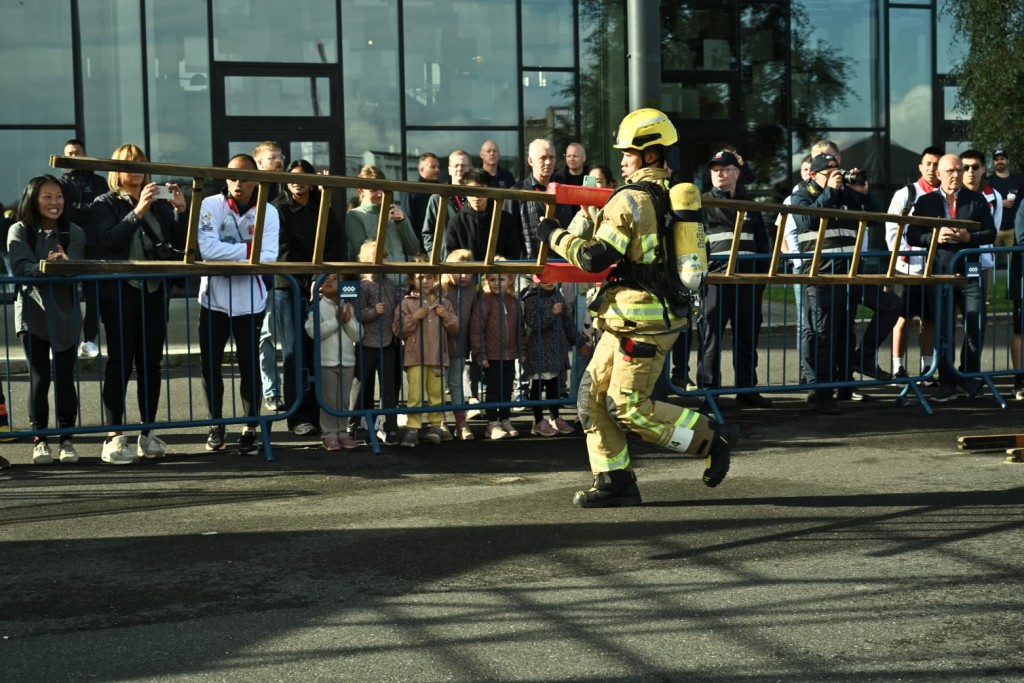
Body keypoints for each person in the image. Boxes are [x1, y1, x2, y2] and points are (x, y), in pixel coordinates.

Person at [535, 108, 739, 507]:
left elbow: (595, 258)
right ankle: (614, 480)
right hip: (626, 318)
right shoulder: (668, 194)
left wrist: (554, 234)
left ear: (650, 155)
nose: (622, 159)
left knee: (628, 408)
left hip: (642, 323)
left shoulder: (627, 200)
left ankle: (711, 439)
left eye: (628, 152)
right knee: (590, 398)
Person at [92, 143, 188, 463]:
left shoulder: (160, 203)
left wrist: (179, 210)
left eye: (140, 164)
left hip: (153, 290)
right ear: (115, 170)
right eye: (127, 164)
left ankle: (148, 433)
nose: (135, 170)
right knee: (119, 364)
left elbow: (177, 245)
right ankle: (114, 436)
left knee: (150, 364)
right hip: (119, 292)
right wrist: (138, 210)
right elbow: (109, 241)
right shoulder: (104, 203)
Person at [197, 153, 280, 456]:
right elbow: (206, 248)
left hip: (251, 301)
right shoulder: (210, 205)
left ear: (256, 179)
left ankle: (250, 427)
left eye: (244, 177)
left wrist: (228, 253)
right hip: (213, 300)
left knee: (249, 367)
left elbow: (268, 255)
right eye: (232, 176)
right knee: (210, 367)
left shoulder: (268, 211)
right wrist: (248, 250)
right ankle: (216, 423)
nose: (238, 183)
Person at [8, 175, 86, 465]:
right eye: (47, 197)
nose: (55, 203)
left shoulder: (73, 231)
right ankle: (40, 440)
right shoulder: (19, 230)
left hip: (65, 312)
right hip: (31, 313)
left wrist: (61, 266)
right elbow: (21, 265)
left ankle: (67, 439)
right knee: (39, 378)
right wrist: (50, 267)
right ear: (33, 199)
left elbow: (75, 266)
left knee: (65, 378)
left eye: (59, 197)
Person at [907, 154, 997, 402]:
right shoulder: (925, 202)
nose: (956, 175)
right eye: (950, 171)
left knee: (975, 324)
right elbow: (912, 235)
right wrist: (934, 237)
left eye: (959, 170)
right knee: (944, 329)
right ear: (939, 174)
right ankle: (947, 381)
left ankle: (967, 377)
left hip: (970, 273)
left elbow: (991, 232)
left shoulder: (976, 199)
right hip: (941, 273)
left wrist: (970, 238)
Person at [272, 159, 348, 436]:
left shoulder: (323, 207)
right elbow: (281, 249)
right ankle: (297, 416)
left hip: (321, 288)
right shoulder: (278, 209)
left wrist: (323, 279)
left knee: (321, 351)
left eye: (303, 177)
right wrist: (307, 281)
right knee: (295, 353)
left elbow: (335, 245)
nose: (297, 182)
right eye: (292, 177)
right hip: (290, 288)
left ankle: (322, 413)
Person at [700, 150, 772, 407]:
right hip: (716, 282)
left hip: (747, 281)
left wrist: (761, 280)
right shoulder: (702, 203)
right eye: (715, 169)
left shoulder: (750, 204)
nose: (719, 173)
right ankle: (709, 392)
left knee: (747, 337)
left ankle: (747, 390)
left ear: (737, 173)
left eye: (725, 168)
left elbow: (763, 244)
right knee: (712, 338)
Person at [885, 146, 942, 380]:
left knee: (929, 320)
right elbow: (891, 228)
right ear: (920, 166)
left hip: (933, 269)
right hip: (906, 268)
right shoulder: (906, 193)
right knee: (902, 318)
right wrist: (902, 254)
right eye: (928, 164)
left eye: (937, 164)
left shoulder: (944, 198)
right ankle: (898, 366)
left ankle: (926, 368)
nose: (932, 169)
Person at [393, 264, 459, 448]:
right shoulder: (406, 303)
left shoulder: (444, 303)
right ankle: (413, 427)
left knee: (436, 394)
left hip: (438, 356)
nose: (425, 281)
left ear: (435, 280)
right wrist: (414, 317)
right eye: (420, 278)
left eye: (429, 277)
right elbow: (398, 329)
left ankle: (435, 426)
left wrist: (446, 315)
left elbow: (455, 328)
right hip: (415, 356)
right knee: (414, 395)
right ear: (412, 281)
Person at [60, 139, 109, 359]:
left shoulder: (99, 181)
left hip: (95, 246)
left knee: (93, 298)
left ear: (85, 154)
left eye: (77, 152)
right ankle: (67, 340)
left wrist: (79, 208)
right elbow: (64, 212)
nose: (74, 156)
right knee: (67, 295)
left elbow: (102, 208)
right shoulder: (60, 183)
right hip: (68, 245)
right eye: (69, 153)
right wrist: (84, 210)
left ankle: (89, 341)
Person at [305, 273, 362, 451]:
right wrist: (336, 321)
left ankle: (342, 432)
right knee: (329, 399)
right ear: (319, 287)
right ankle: (329, 434)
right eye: (326, 279)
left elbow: (358, 335)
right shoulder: (317, 307)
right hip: (326, 361)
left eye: (336, 278)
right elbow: (314, 332)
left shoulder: (348, 307)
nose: (330, 281)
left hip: (347, 360)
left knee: (344, 399)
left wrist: (346, 321)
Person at [353, 239, 401, 445]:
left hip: (388, 342)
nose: (376, 260)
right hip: (366, 343)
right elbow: (357, 312)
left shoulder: (391, 284)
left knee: (389, 387)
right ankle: (355, 424)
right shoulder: (362, 285)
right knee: (361, 385)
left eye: (380, 256)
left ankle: (389, 426)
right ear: (363, 260)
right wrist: (373, 312)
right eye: (371, 257)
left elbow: (397, 308)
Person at [470, 266, 523, 440]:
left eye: (501, 279)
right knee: (493, 390)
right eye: (492, 279)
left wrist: (522, 350)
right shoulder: (484, 302)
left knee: (507, 389)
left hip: (509, 354)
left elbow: (519, 329)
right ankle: (492, 423)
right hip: (491, 355)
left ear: (510, 281)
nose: (496, 283)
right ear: (486, 282)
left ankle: (505, 419)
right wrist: (480, 354)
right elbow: (477, 331)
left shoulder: (513, 302)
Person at [254, 142, 287, 412]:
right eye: (272, 158)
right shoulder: (256, 196)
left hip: (286, 278)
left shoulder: (289, 188)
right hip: (262, 278)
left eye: (281, 157)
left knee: (289, 340)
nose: (279, 161)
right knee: (264, 337)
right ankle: (271, 390)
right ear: (259, 164)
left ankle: (294, 393)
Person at [521, 274, 576, 436]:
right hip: (540, 349)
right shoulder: (530, 298)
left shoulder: (558, 295)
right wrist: (551, 313)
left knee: (554, 384)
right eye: (544, 278)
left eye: (552, 277)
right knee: (538, 385)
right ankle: (538, 421)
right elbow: (534, 324)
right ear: (535, 279)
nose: (549, 282)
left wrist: (578, 342)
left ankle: (555, 417)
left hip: (557, 348)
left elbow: (567, 322)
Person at [346, 165, 419, 286]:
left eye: (382, 189)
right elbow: (363, 252)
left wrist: (403, 222)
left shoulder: (394, 210)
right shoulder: (354, 215)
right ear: (361, 190)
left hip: (403, 284)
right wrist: (384, 223)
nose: (379, 194)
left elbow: (413, 249)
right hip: (375, 286)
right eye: (373, 190)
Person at [506, 139, 575, 259]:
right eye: (543, 158)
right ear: (530, 161)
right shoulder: (516, 193)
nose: (548, 162)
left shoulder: (565, 191)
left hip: (561, 264)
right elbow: (509, 236)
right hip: (528, 268)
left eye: (552, 157)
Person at [443, 168, 523, 261]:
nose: (476, 196)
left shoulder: (505, 219)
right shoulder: (456, 222)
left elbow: (513, 254)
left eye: (481, 190)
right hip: (466, 274)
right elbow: (452, 257)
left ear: (489, 190)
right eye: (471, 191)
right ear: (464, 191)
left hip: (499, 274)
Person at [442, 249, 478, 440]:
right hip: (439, 346)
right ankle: (440, 421)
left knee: (456, 383)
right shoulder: (441, 287)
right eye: (458, 271)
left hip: (460, 344)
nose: (464, 276)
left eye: (468, 271)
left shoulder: (472, 289)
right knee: (439, 384)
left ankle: (460, 422)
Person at [421, 150, 472, 255]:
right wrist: (438, 257)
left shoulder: (478, 198)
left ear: (470, 169)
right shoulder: (437, 199)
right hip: (447, 264)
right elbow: (428, 234)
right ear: (449, 170)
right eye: (456, 165)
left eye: (463, 165)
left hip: (474, 262)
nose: (460, 168)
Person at [401, 152, 441, 248]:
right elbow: (408, 219)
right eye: (433, 167)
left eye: (438, 167)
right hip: (420, 246)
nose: (437, 170)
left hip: (440, 244)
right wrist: (414, 246)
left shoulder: (442, 190)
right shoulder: (412, 190)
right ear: (421, 169)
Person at [989, 147, 1022, 248]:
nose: (999, 161)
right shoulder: (988, 182)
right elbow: (984, 202)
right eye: (997, 159)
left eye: (1002, 159)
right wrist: (999, 203)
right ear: (994, 162)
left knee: (1011, 261)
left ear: (1008, 161)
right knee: (992, 261)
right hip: (994, 228)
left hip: (1013, 229)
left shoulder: (1018, 180)